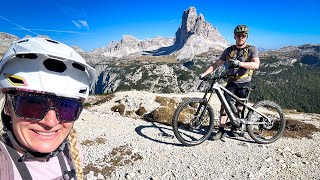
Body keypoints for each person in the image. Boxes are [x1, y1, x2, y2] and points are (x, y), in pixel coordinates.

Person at [0, 37, 96, 179]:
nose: (50, 122)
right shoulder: (3, 164)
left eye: (67, 107)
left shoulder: (71, 153)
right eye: (31, 104)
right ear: (8, 106)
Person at [200, 25, 260, 141]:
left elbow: (256, 65)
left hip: (245, 82)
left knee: (239, 107)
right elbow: (216, 64)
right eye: (238, 35)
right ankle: (221, 130)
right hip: (231, 82)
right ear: (234, 37)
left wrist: (240, 64)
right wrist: (204, 74)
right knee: (225, 106)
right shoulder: (229, 51)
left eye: (243, 36)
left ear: (246, 37)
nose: (240, 37)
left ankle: (235, 129)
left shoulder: (252, 49)